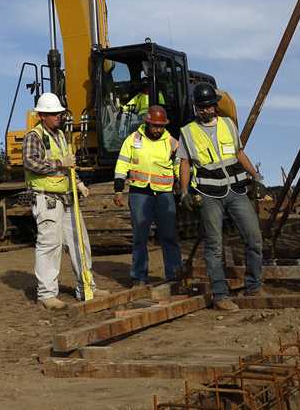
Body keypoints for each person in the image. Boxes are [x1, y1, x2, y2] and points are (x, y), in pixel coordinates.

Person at [177, 82, 263, 312]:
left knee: (254, 238)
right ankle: (220, 295)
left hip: (235, 190)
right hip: (208, 194)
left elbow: (239, 153)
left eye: (209, 107)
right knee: (214, 246)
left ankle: (254, 285)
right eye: (201, 108)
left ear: (215, 106)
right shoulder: (187, 132)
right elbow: (184, 163)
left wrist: (256, 176)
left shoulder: (228, 124)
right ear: (196, 108)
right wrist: (184, 191)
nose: (206, 111)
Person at [24, 92, 103, 309]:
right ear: (42, 115)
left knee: (80, 242)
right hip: (47, 199)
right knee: (50, 246)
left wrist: (78, 183)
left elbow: (69, 166)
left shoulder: (60, 136)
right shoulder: (35, 136)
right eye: (53, 113)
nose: (58, 116)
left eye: (58, 112)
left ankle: (87, 286)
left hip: (67, 197)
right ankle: (47, 294)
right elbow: (31, 162)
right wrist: (60, 163)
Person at [113, 104, 182, 285]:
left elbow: (179, 167)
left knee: (169, 236)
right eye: (155, 125)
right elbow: (122, 164)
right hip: (139, 194)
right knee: (140, 237)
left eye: (161, 126)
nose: (158, 129)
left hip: (164, 195)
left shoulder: (172, 143)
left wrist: (183, 185)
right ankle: (139, 276)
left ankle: (174, 275)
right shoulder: (133, 139)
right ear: (147, 123)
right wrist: (118, 189)